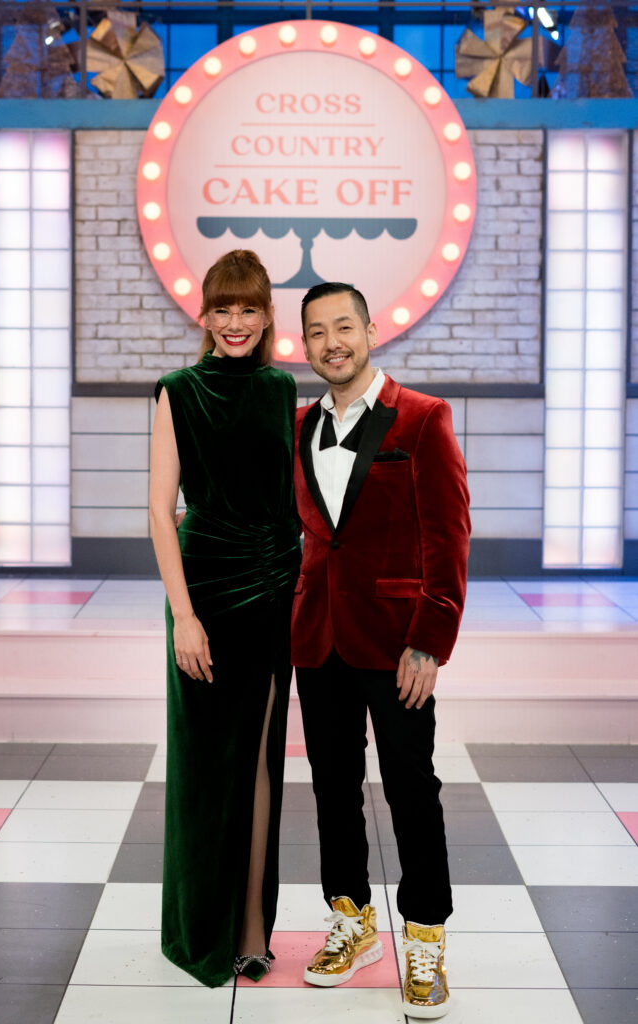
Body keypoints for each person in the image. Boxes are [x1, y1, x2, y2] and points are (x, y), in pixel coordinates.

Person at [292, 282, 470, 1018]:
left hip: (397, 644)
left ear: (369, 330)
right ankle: (350, 917)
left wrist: (430, 640)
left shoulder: (422, 419)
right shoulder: (297, 425)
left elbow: (449, 535)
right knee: (332, 786)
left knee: (409, 788)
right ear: (302, 345)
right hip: (316, 639)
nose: (331, 341)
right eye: (315, 332)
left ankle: (423, 938)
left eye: (343, 326)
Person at [149, 250, 301, 987]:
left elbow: (290, 500)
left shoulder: (281, 389)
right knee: (205, 765)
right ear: (203, 315)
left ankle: (248, 931)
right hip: (203, 592)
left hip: (272, 589)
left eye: (248, 309)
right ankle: (197, 926)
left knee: (260, 763)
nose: (234, 322)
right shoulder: (177, 391)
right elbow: (158, 510)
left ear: (268, 316)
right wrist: (183, 615)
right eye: (222, 309)